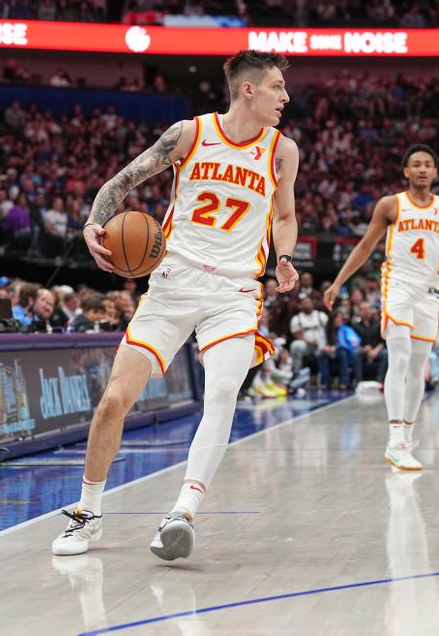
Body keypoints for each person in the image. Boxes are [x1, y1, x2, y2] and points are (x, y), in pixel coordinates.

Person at [52, 50, 299, 561]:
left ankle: (182, 512)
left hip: (234, 291)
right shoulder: (189, 134)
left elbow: (286, 214)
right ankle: (88, 512)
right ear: (248, 90)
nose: (285, 96)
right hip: (171, 282)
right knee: (115, 399)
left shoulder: (282, 151)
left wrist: (286, 257)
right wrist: (93, 224)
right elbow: (120, 183)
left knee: (225, 389)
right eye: (277, 86)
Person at [323, 144, 439, 470]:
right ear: (406, 171)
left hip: (430, 291)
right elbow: (365, 245)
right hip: (397, 286)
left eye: (428, 164)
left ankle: (407, 437)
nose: (423, 169)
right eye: (416, 164)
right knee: (398, 358)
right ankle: (395, 438)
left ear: (435, 171)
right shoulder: (391, 204)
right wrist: (338, 282)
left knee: (418, 368)